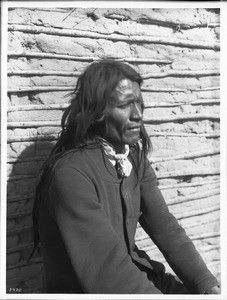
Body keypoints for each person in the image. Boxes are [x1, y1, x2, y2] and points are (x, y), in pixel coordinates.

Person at [31, 59, 220, 294]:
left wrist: (207, 285)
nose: (138, 115)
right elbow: (108, 270)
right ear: (97, 112)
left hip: (138, 275)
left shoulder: (132, 158)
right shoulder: (71, 175)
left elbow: (166, 227)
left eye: (139, 103)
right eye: (125, 105)